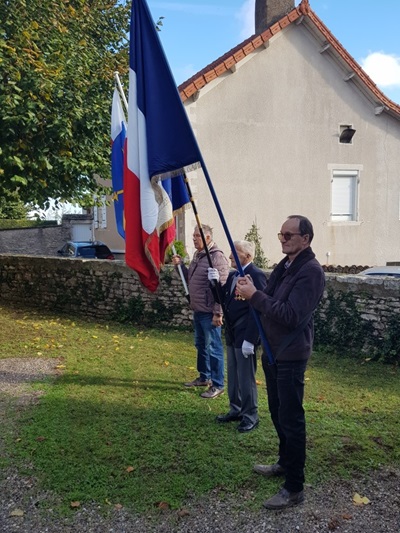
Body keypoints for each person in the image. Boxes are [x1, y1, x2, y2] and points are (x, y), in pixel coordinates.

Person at [236, 215, 325, 510]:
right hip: (272, 353)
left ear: (306, 238)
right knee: (276, 412)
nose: (283, 239)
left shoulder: (310, 271)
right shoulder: (285, 266)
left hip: (291, 354)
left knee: (291, 418)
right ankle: (285, 464)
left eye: (289, 235)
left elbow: (290, 314)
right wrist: (250, 289)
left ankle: (294, 488)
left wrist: (255, 296)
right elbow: (267, 298)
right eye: (281, 235)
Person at [207, 240, 267, 432]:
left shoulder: (256, 276)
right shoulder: (234, 275)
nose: (230, 256)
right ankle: (236, 408)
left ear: (247, 257)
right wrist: (214, 283)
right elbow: (223, 301)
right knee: (233, 375)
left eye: (235, 253)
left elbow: (258, 310)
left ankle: (250, 415)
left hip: (245, 333)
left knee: (245, 376)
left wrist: (251, 339)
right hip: (232, 332)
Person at [172, 224, 229, 399]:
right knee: (201, 345)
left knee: (213, 347)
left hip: (210, 312)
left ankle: (218, 384)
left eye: (197, 236)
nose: (194, 238)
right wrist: (180, 266)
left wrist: (218, 313)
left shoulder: (217, 258)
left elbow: (222, 288)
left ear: (208, 238)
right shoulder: (199, 255)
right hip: (198, 309)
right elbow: (190, 277)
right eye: (194, 235)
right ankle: (205, 377)